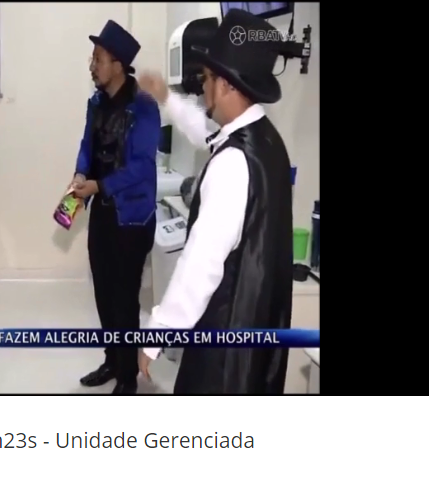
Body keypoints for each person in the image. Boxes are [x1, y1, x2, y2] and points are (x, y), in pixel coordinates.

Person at [136, 9, 294, 394]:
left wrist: (156, 334)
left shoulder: (233, 162)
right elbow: (206, 133)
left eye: (206, 78)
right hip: (257, 341)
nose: (202, 87)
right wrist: (166, 97)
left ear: (224, 85)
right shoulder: (266, 142)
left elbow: (200, 265)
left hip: (224, 353)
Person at [72, 20, 161, 395]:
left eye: (98, 58)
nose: (92, 65)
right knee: (104, 293)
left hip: (133, 218)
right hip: (103, 213)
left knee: (125, 299)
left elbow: (141, 166)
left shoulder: (144, 107)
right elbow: (87, 146)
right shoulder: (95, 103)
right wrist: (81, 174)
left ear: (118, 64)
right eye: (92, 58)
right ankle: (112, 359)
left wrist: (101, 185)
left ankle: (128, 377)